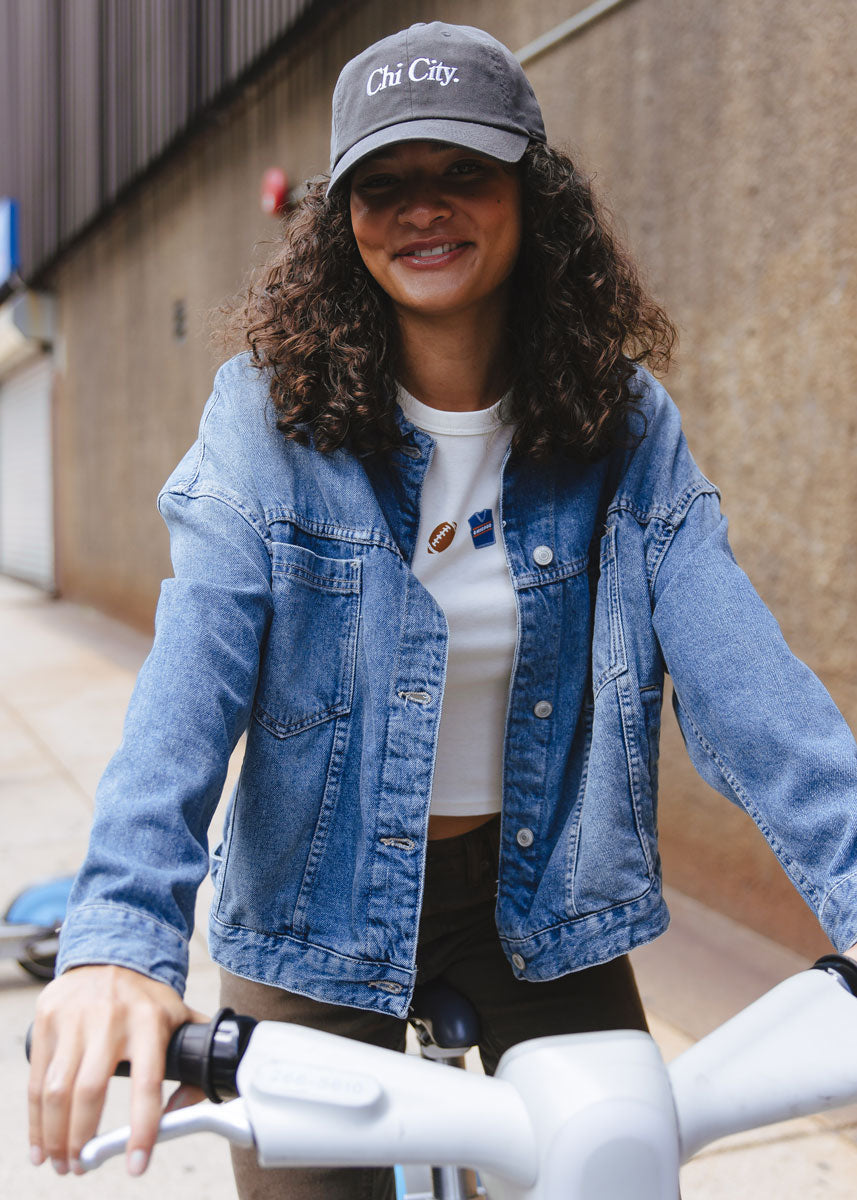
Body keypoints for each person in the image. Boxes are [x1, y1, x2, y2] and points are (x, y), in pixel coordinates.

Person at [27, 21, 857, 1200]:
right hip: (313, 912)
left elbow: (743, 674)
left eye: (462, 171)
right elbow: (190, 671)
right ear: (340, 219)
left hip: (540, 906)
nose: (423, 209)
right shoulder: (265, 422)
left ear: (531, 191)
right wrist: (119, 941)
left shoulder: (623, 430)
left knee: (611, 1163)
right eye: (385, 184)